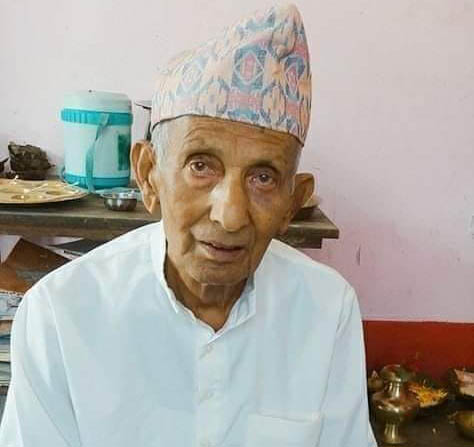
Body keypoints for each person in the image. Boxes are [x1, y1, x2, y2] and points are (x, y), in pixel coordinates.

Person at [0, 4, 376, 446]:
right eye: (201, 166)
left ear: (293, 203)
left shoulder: (327, 309)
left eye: (263, 178)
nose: (229, 215)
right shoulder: (60, 315)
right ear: (148, 175)